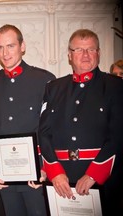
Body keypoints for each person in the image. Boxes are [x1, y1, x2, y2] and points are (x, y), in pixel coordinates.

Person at [39, 29, 123, 215]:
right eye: (78, 50)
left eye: (90, 49)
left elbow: (118, 135)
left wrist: (94, 173)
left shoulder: (116, 87)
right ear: (70, 55)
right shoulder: (53, 88)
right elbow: (43, 132)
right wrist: (54, 171)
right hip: (61, 180)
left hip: (103, 179)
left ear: (98, 53)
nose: (85, 55)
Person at [0, 24, 56, 216]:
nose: (5, 53)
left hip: (36, 175)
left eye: (10, 46)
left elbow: (51, 130)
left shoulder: (45, 80)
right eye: (0, 47)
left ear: (22, 46)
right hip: (4, 176)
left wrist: (47, 168)